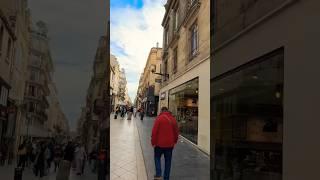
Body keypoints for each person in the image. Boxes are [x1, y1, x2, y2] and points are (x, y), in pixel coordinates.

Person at [151, 107, 179, 180]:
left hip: (159, 144)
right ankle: (166, 178)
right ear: (168, 111)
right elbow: (176, 132)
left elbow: (154, 132)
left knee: (157, 158)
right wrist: (175, 141)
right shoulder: (173, 119)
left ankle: (158, 175)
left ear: (161, 111)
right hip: (169, 145)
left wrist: (153, 142)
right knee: (168, 161)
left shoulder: (159, 118)